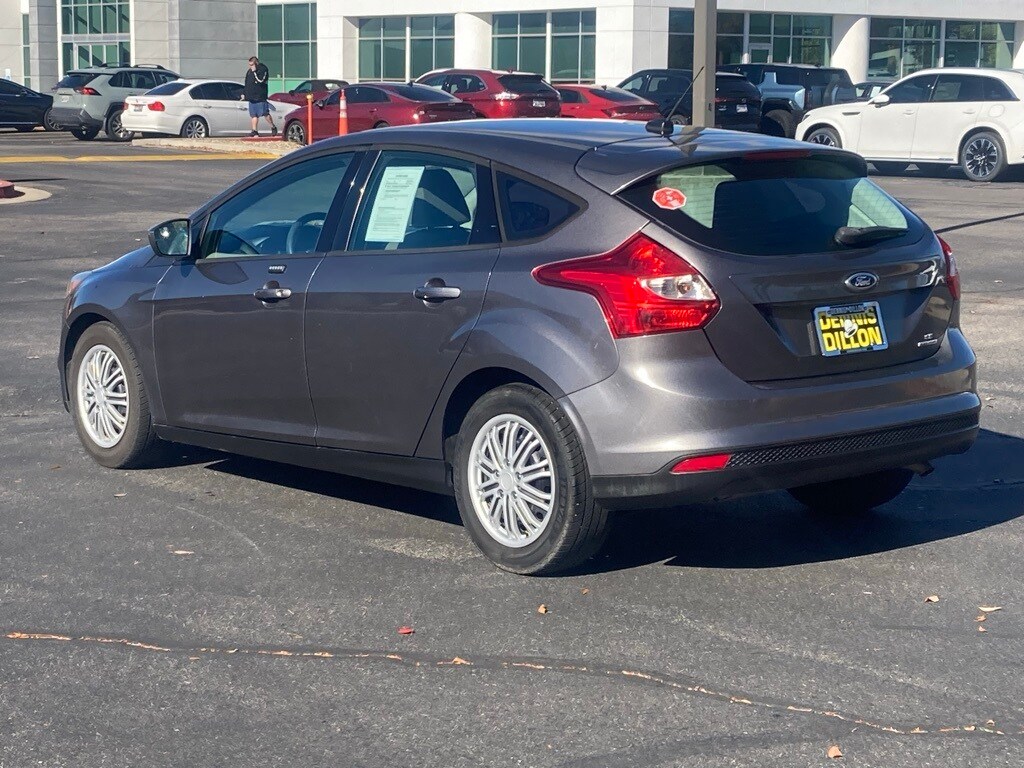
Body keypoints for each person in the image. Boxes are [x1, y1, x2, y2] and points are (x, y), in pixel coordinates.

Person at [243, 56, 277, 137]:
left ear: (256, 63)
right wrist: (244, 93)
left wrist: (255, 72)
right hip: (252, 97)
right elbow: (247, 83)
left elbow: (261, 81)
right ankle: (254, 130)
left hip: (260, 96)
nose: (250, 66)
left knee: (265, 113)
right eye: (249, 65)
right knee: (253, 115)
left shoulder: (263, 69)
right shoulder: (249, 71)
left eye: (251, 65)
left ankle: (273, 126)